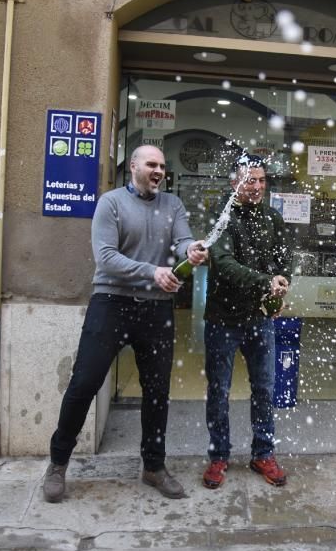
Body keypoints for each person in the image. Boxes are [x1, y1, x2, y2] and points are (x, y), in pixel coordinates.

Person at [42, 145, 209, 502]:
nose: (159, 170)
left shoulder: (173, 206)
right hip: (111, 303)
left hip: (156, 310)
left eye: (163, 165)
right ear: (133, 166)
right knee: (84, 383)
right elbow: (105, 257)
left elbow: (182, 242)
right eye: (151, 164)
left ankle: (153, 466)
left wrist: (191, 250)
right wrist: (153, 271)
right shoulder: (111, 203)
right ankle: (57, 464)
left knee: (157, 393)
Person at [201, 153, 292, 489]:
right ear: (234, 182)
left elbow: (285, 260)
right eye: (249, 180)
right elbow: (222, 263)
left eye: (261, 180)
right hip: (222, 320)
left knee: (264, 391)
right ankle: (218, 456)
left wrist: (280, 288)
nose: (256, 186)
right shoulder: (221, 216)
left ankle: (262, 453)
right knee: (218, 392)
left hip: (260, 321)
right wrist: (263, 282)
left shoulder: (272, 218)